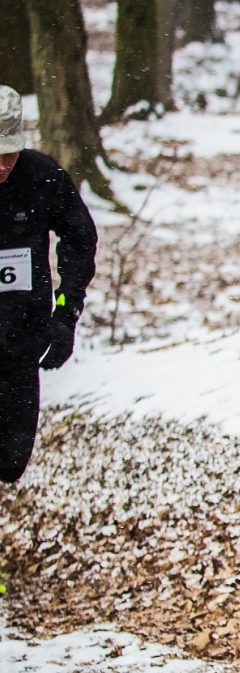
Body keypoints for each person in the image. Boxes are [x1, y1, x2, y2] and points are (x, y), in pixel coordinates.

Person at [0, 86, 97, 484]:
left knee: (10, 462)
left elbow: (79, 237)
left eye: (9, 153)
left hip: (22, 340)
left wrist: (65, 313)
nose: (2, 165)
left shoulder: (41, 177)